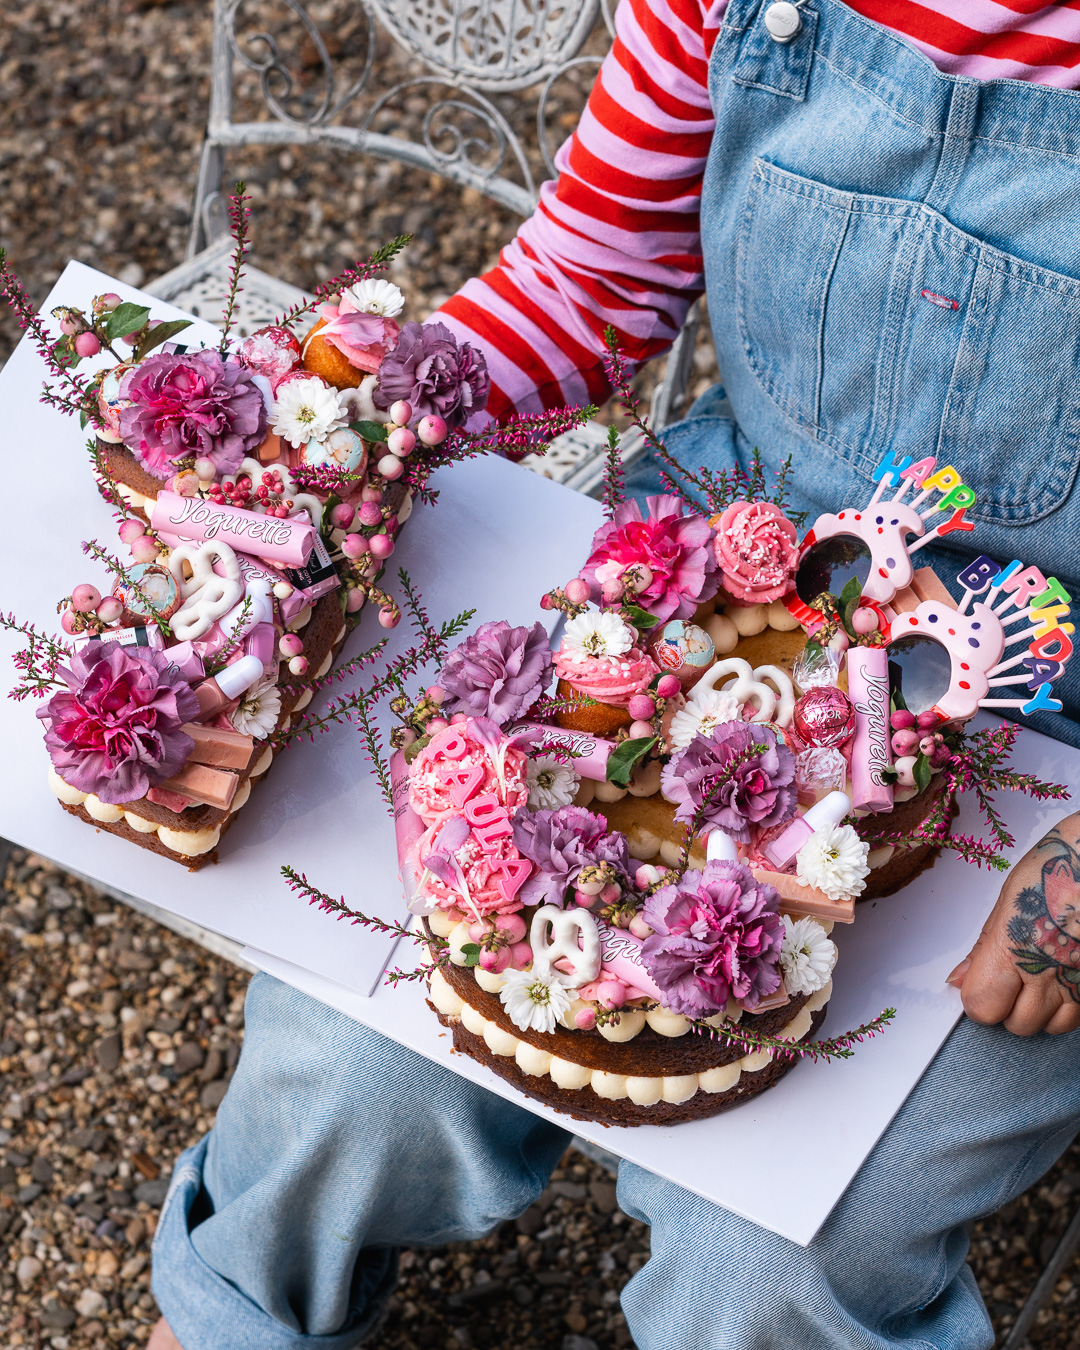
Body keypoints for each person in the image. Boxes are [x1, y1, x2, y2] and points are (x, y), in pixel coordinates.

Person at [148, 2, 1080, 1345]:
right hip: (693, 593)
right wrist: (383, 419)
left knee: (773, 1251)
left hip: (1041, 745)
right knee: (351, 1059)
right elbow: (592, 270)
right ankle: (236, 1311)